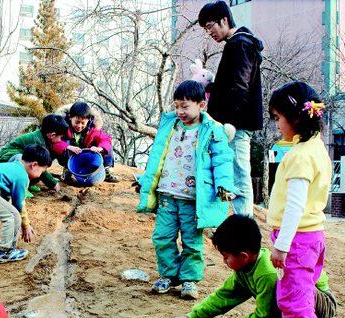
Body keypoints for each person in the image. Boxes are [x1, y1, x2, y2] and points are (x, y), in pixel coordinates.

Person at [167, 214, 337, 318]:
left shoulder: (266, 274)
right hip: (290, 307)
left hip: (320, 301)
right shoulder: (243, 270)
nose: (225, 261)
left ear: (243, 256)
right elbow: (223, 297)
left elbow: (263, 315)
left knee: (285, 293)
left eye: (226, 257)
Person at [256, 82, 332, 318]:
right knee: (296, 293)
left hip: (298, 240)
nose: (276, 125)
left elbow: (295, 207)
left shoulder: (301, 155)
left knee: (295, 298)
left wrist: (281, 245)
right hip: (309, 237)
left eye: (277, 118)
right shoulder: (313, 147)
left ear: (296, 118)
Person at [136, 80, 234, 300]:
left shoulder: (213, 130)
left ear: (201, 105)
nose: (179, 111)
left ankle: (189, 279)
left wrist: (224, 188)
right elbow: (157, 157)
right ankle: (168, 275)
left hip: (193, 199)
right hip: (167, 195)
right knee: (162, 236)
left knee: (191, 240)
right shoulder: (170, 124)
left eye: (185, 106)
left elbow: (222, 162)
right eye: (176, 105)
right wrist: (145, 180)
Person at [199, 1, 264, 217]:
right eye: (206, 29)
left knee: (238, 176)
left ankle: (243, 231)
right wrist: (211, 87)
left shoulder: (240, 45)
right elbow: (232, 85)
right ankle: (236, 226)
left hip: (235, 125)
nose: (209, 32)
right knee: (231, 174)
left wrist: (226, 123)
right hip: (233, 123)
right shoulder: (239, 44)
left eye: (210, 26)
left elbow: (238, 87)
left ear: (224, 20)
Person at [0, 114, 69, 196]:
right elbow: (38, 165)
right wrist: (52, 182)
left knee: (37, 166)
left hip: (19, 158)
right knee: (29, 162)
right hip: (8, 160)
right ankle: (22, 188)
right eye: (60, 137)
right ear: (52, 135)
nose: (60, 140)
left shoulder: (44, 139)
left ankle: (29, 184)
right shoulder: (36, 141)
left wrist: (50, 179)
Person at [53, 102, 121, 183]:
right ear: (70, 117)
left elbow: (105, 139)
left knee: (107, 144)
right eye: (77, 122)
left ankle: (107, 170)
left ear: (88, 120)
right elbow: (53, 141)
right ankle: (67, 170)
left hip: (87, 154)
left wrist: (99, 148)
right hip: (70, 155)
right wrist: (68, 147)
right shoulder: (61, 126)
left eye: (83, 123)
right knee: (65, 142)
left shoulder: (92, 129)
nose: (79, 126)